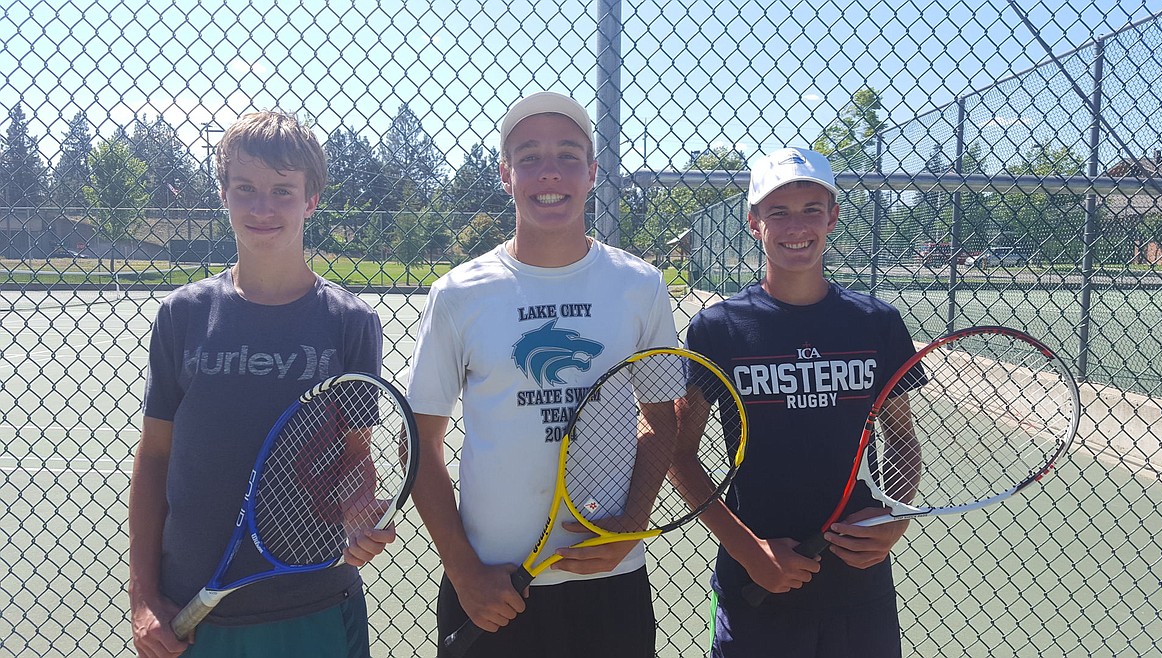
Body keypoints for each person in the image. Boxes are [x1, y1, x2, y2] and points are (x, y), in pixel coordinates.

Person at [406, 91, 678, 658]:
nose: (548, 171)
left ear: (593, 172)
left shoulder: (640, 286)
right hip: (492, 589)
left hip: (610, 585)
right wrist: (463, 572)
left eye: (567, 154)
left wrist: (631, 523)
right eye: (528, 156)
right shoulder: (458, 295)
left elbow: (660, 419)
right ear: (505, 174)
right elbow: (421, 443)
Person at [128, 111, 393, 658]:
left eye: (283, 190)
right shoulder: (182, 315)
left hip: (314, 601)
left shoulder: (351, 323)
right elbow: (155, 457)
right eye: (245, 188)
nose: (263, 207)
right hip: (193, 608)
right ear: (223, 195)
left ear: (311, 200)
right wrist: (144, 595)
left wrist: (360, 507)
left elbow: (352, 457)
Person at [675, 147, 920, 657]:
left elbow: (902, 441)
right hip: (759, 587)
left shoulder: (877, 323)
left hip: (859, 588)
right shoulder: (719, 329)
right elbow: (678, 455)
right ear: (754, 223)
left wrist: (893, 518)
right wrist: (750, 550)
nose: (796, 226)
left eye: (811, 209)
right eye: (778, 212)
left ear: (832, 217)